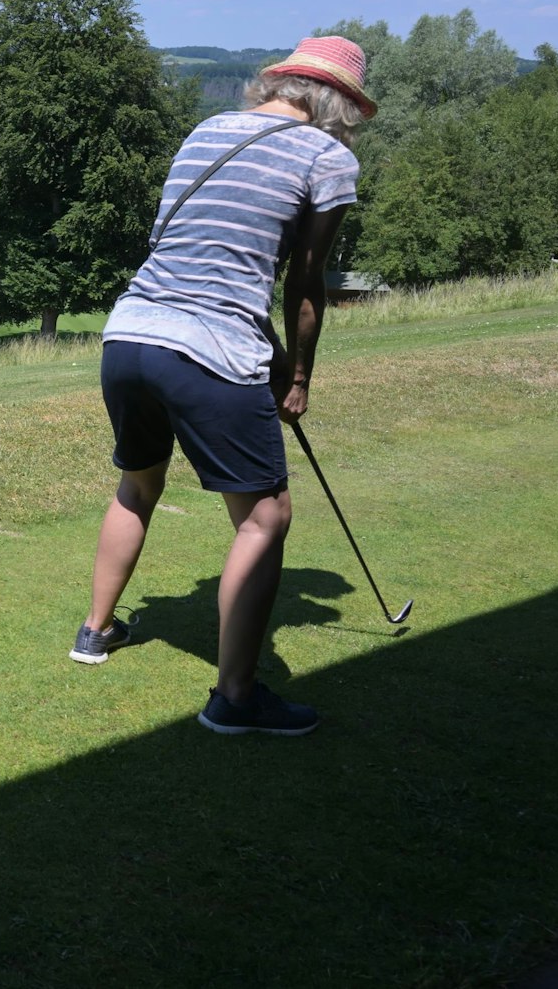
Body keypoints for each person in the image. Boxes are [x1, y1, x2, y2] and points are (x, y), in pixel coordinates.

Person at [71, 36, 376, 737]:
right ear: (337, 105)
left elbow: (192, 251)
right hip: (207, 347)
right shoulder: (328, 157)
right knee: (265, 516)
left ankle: (95, 631)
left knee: (138, 482)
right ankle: (235, 697)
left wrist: (261, 352)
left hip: (130, 334)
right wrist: (296, 372)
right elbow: (304, 281)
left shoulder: (207, 129)